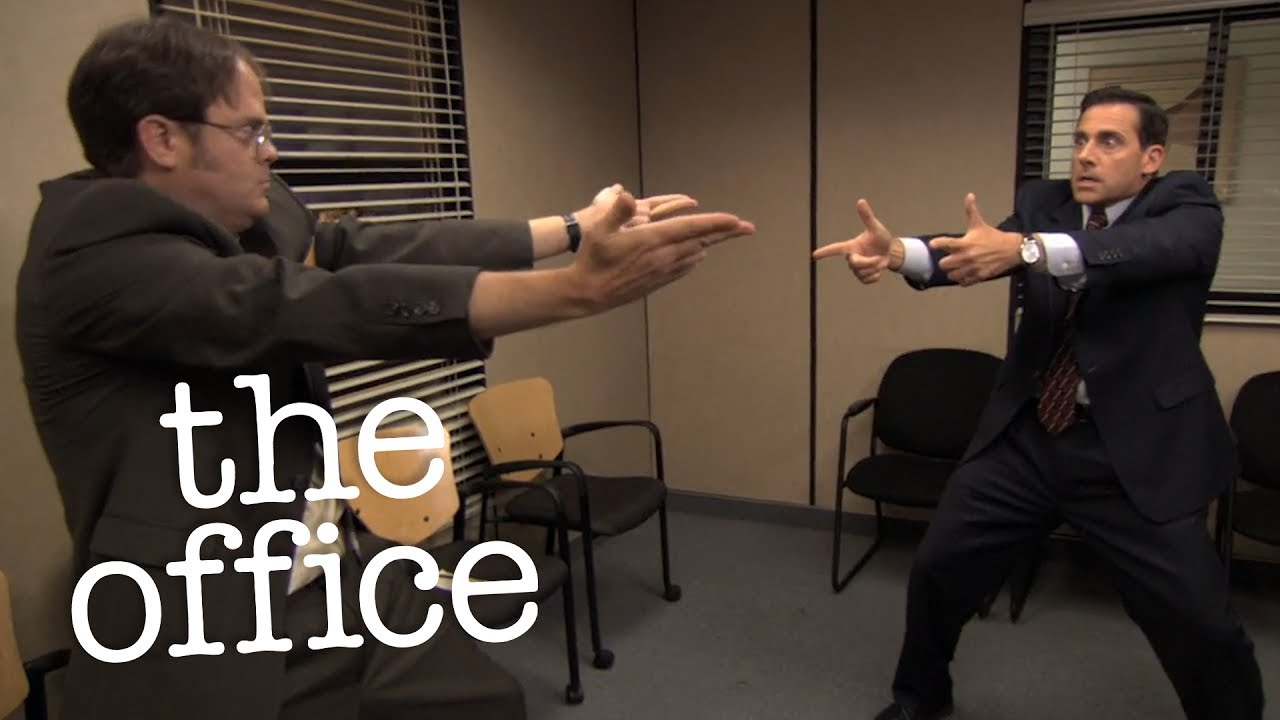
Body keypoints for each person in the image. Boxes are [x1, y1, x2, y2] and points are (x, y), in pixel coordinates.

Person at [15, 17, 753, 720]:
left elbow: (361, 249)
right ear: (162, 138)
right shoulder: (92, 254)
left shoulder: (249, 215)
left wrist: (570, 230)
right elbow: (301, 306)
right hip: (211, 622)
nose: (271, 151)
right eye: (251, 132)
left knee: (480, 700)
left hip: (336, 575)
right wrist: (573, 292)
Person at [814, 86, 1264, 720]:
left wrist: (1029, 249)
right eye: (1080, 139)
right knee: (940, 567)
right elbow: (976, 253)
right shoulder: (1045, 204)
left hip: (1133, 454)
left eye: (1109, 141)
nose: (1086, 154)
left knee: (1200, 623)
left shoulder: (1185, 205)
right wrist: (897, 253)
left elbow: (1152, 250)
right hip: (1028, 441)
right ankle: (920, 698)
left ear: (1151, 158)